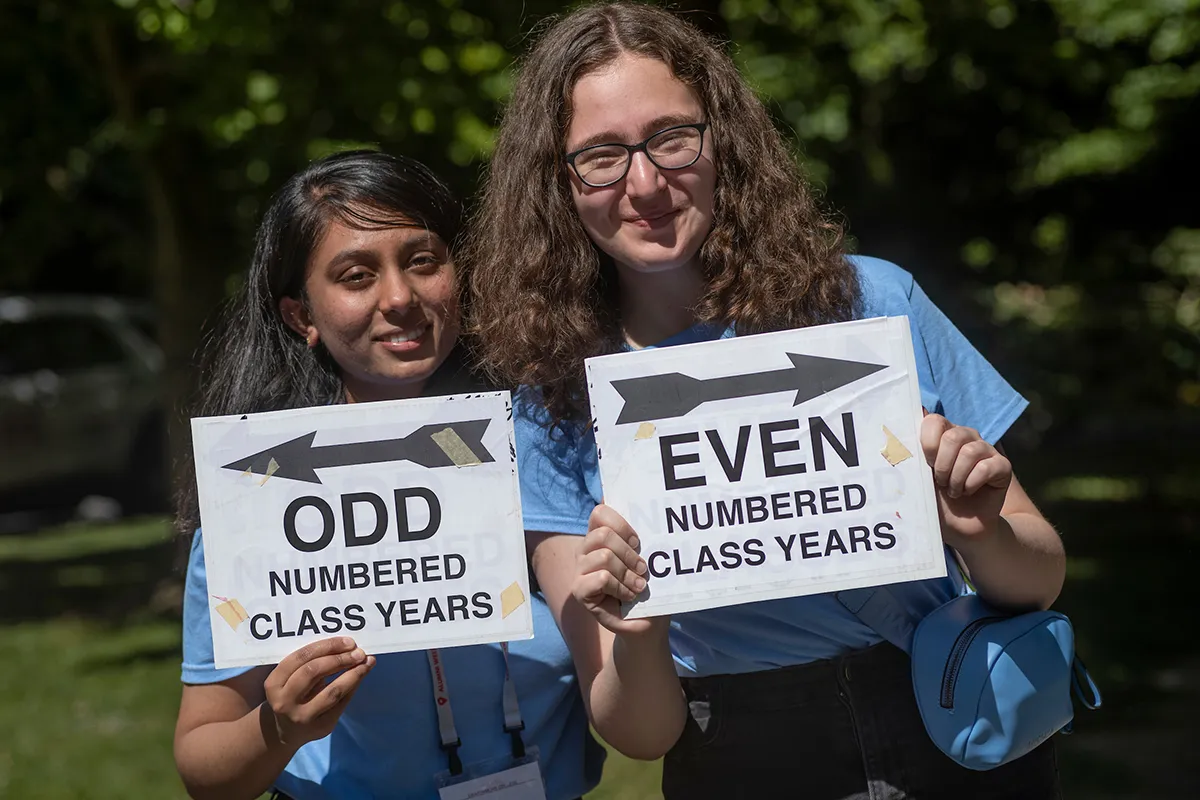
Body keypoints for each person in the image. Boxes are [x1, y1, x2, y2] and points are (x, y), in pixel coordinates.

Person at [464, 3, 1068, 799]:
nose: (644, 183)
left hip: (952, 719)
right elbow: (639, 732)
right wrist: (636, 630)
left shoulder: (870, 301)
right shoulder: (548, 405)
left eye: (671, 138)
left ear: (724, 140)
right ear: (558, 184)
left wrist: (981, 531)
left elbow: (1039, 575)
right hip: (743, 756)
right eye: (601, 156)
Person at [171, 150, 615, 800]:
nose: (400, 297)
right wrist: (278, 727)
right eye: (356, 276)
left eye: (422, 261)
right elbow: (202, 762)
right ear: (302, 317)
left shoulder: (544, 449)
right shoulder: (261, 493)